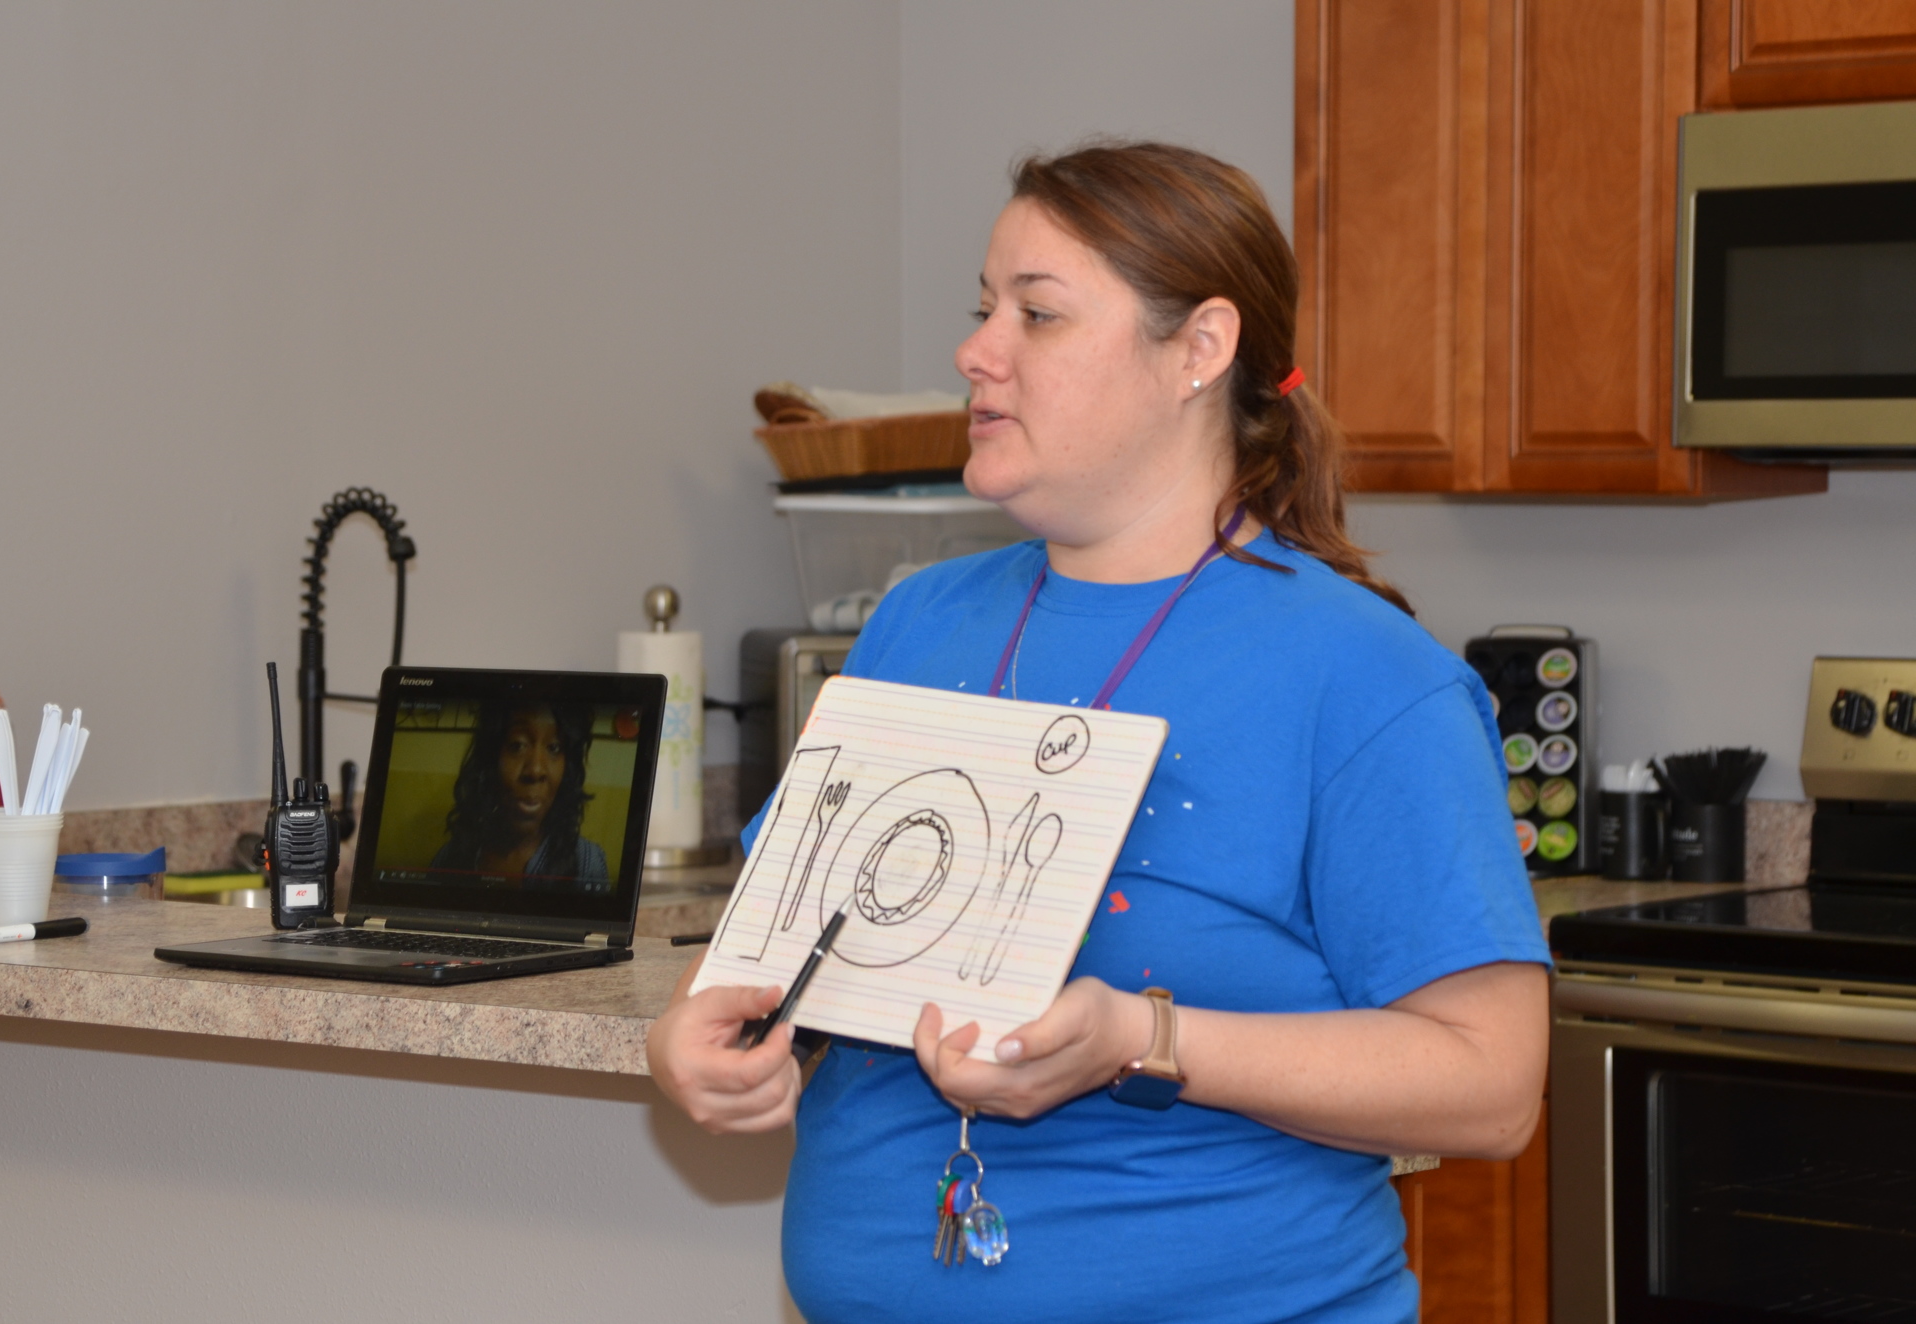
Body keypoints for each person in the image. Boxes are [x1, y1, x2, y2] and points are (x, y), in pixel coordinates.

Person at [648, 141, 1549, 1323]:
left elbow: (1488, 1087)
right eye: (982, 310)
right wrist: (705, 1036)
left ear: (1200, 349)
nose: (977, 351)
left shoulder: (1365, 677)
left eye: (1039, 314)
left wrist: (1145, 1036)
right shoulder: (918, 620)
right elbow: (787, 950)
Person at [430, 701, 610, 889]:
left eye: (554, 747)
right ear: (491, 760)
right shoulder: (451, 856)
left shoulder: (588, 863)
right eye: (517, 745)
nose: (535, 770)